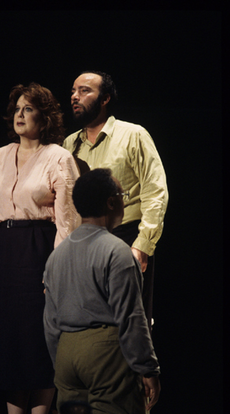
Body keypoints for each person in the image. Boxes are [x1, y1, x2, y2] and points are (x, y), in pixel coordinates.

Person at [0, 168, 161, 414]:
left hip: (65, 353)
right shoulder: (117, 252)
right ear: (112, 203)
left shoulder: (57, 257)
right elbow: (131, 317)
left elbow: (49, 320)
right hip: (105, 353)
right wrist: (148, 368)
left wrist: (59, 362)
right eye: (123, 197)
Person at [0, 82, 80, 414]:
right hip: (4, 252)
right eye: (17, 109)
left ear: (44, 116)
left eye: (28, 109)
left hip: (39, 250)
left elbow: (68, 219)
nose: (20, 114)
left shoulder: (58, 157)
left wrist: (57, 268)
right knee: (8, 342)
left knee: (37, 341)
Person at [63, 70, 168, 330]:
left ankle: (139, 372)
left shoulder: (133, 135)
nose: (75, 97)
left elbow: (155, 191)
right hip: (83, 242)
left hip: (125, 237)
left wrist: (142, 245)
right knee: (91, 324)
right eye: (73, 91)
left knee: (130, 324)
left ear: (105, 98)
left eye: (85, 91)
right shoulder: (68, 144)